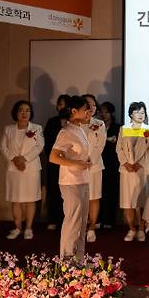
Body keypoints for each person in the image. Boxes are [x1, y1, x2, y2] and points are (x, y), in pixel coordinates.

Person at [49, 96, 91, 261]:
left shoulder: (80, 129)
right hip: (70, 181)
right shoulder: (66, 131)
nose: (89, 112)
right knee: (72, 221)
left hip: (83, 180)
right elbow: (53, 157)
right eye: (85, 109)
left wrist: (84, 163)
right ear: (74, 111)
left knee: (81, 222)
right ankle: (66, 261)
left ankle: (78, 260)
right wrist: (76, 164)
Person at [0, 100, 44, 240]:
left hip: (30, 168)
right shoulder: (8, 129)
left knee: (31, 199)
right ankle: (18, 227)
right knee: (16, 200)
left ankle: (29, 228)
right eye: (21, 110)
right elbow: (3, 147)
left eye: (27, 110)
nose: (24, 113)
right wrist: (15, 159)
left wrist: (24, 159)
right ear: (15, 113)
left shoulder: (37, 128)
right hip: (14, 169)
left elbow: (39, 146)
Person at [117, 102, 149, 242]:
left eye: (143, 112)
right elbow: (119, 149)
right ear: (130, 114)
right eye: (137, 112)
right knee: (128, 202)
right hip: (127, 170)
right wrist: (126, 163)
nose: (141, 115)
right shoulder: (124, 129)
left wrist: (139, 164)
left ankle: (141, 228)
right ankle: (131, 228)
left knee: (141, 201)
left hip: (143, 169)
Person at [81, 94, 106, 242]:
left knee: (93, 196)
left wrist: (91, 159)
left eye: (93, 105)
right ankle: (81, 226)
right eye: (87, 104)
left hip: (94, 166)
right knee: (79, 198)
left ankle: (91, 227)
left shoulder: (100, 124)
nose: (91, 107)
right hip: (77, 167)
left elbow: (100, 144)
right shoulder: (74, 124)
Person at [44, 94, 70, 230]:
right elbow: (47, 143)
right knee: (53, 190)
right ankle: (53, 218)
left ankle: (67, 219)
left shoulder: (73, 122)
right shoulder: (52, 122)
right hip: (54, 163)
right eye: (60, 104)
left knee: (67, 192)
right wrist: (56, 157)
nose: (62, 107)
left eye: (65, 105)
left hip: (70, 163)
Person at [99, 102, 120, 229]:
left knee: (111, 191)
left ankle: (110, 220)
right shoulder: (96, 126)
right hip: (99, 163)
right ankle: (99, 219)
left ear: (111, 113)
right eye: (101, 112)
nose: (103, 114)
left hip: (112, 163)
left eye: (106, 112)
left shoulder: (118, 128)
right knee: (99, 192)